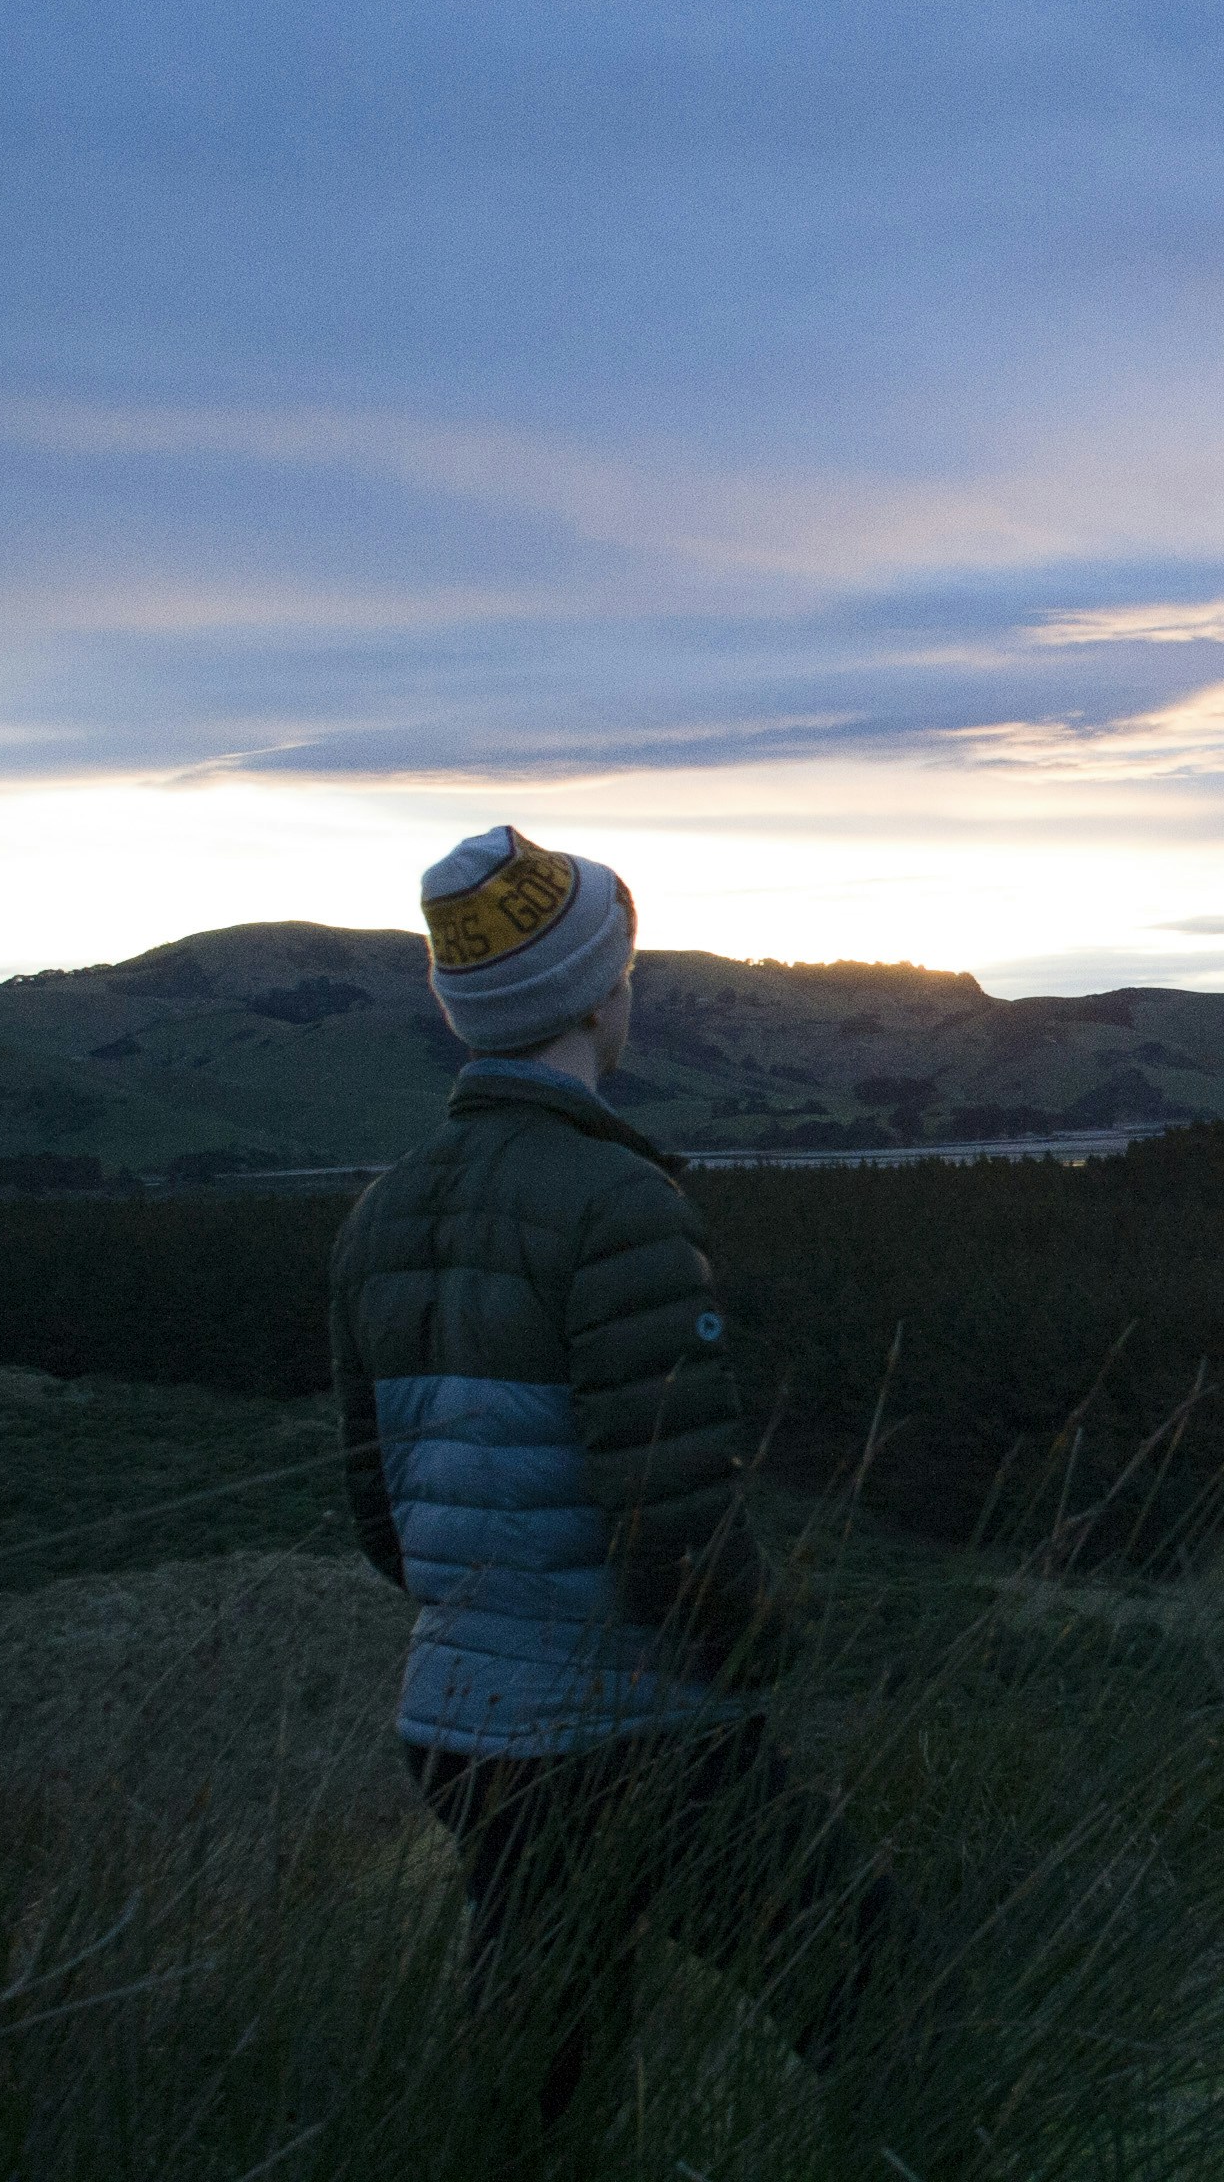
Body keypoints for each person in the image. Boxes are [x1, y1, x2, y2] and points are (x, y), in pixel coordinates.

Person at [332, 824, 883, 2131]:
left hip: (461, 1728)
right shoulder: (617, 1205)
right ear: (596, 996)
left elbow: (381, 1510)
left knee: (544, 2090)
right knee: (895, 1999)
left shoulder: (380, 1212)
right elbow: (671, 1532)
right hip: (628, 1733)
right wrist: (761, 1653)